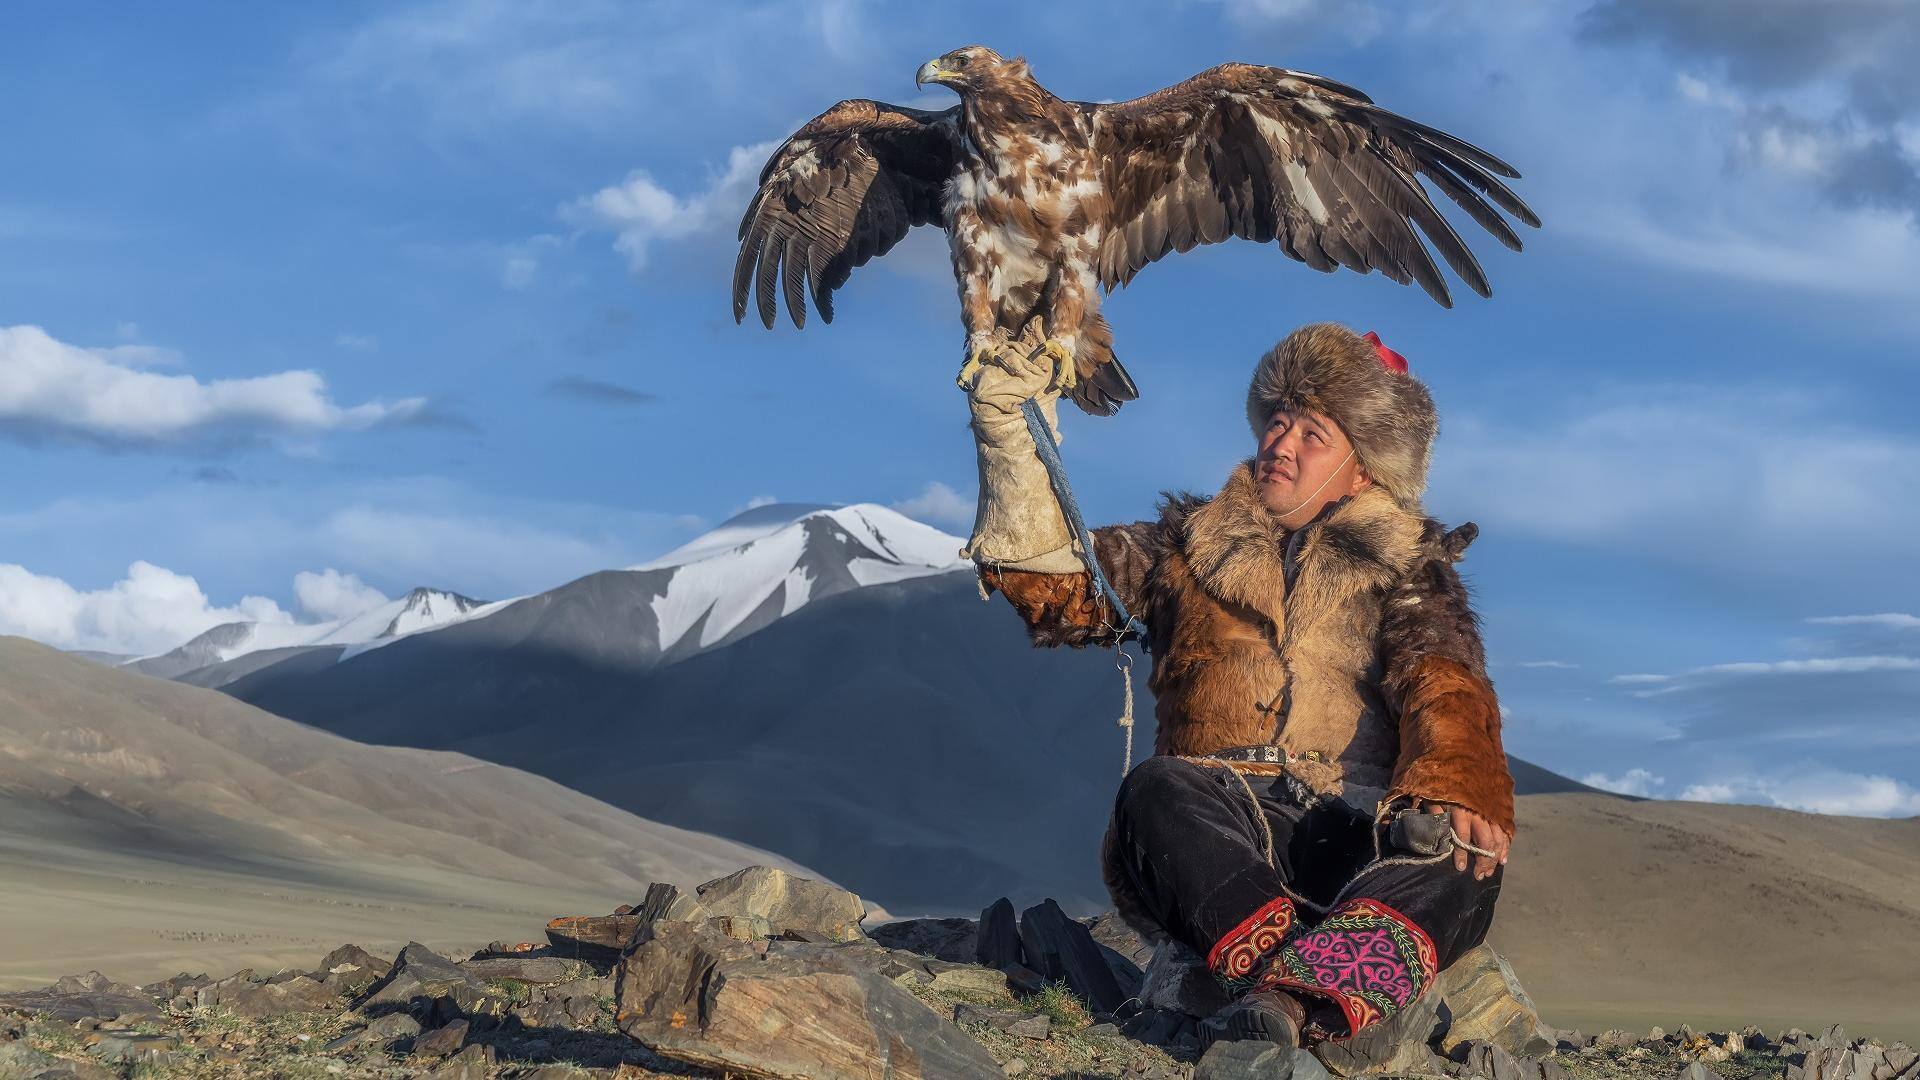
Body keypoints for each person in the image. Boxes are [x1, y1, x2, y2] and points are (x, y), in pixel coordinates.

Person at [959, 316, 1515, 1049]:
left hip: (1362, 833)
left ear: (1365, 466)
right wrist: (1007, 438)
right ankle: (1319, 989)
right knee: (1156, 790)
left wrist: (1457, 784)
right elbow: (1061, 589)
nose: (1280, 444)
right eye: (1277, 421)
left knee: (1463, 853)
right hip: (1224, 827)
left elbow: (1442, 681)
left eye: (1312, 433)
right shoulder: (1184, 545)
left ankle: (1275, 992)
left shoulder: (1411, 567)